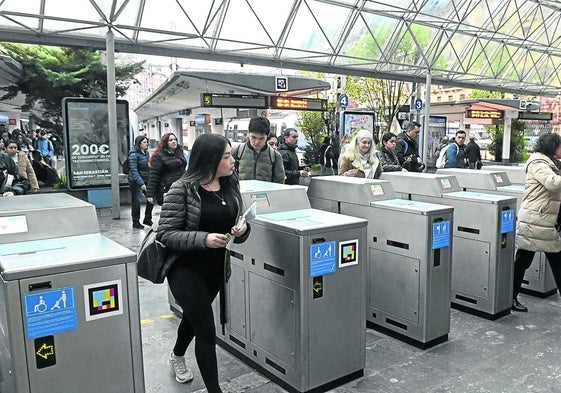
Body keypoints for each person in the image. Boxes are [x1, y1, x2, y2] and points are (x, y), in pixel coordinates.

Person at [157, 134, 250, 393]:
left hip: (216, 268)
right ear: (209, 159)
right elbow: (165, 234)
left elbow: (237, 226)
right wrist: (204, 239)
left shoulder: (231, 185)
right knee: (207, 330)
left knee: (194, 317)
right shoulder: (181, 189)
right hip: (185, 268)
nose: (233, 161)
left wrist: (242, 231)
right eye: (226, 156)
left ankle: (176, 355)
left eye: (231, 155)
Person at [511, 133, 561, 312]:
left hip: (544, 221)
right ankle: (511, 297)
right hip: (535, 220)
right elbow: (553, 183)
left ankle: (511, 296)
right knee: (524, 261)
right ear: (552, 147)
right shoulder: (538, 164)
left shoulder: (551, 163)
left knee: (526, 260)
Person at [231, 117, 284, 183]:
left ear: (267, 136)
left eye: (261, 138)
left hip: (266, 192)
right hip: (242, 191)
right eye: (253, 137)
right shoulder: (237, 151)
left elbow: (280, 181)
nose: (256, 142)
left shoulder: (275, 156)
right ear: (248, 134)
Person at [146, 133, 188, 206]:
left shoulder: (179, 153)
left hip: (181, 187)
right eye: (170, 140)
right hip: (168, 188)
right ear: (165, 143)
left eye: (175, 140)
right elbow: (154, 176)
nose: (174, 141)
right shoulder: (159, 156)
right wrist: (150, 194)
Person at [128, 136, 154, 229]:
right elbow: (134, 170)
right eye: (144, 142)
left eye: (147, 142)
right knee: (136, 201)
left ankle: (147, 218)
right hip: (135, 181)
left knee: (151, 198)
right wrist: (141, 183)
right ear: (139, 144)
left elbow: (148, 167)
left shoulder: (146, 153)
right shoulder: (133, 155)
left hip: (146, 179)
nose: (146, 144)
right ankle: (135, 221)